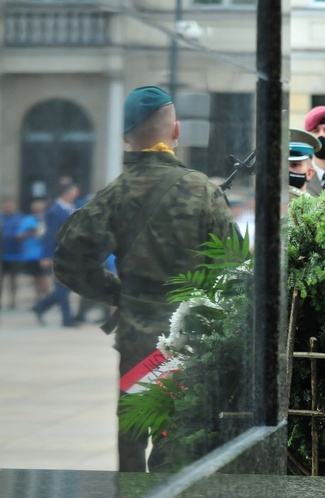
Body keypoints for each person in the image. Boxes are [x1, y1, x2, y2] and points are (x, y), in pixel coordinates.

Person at [52, 86, 237, 472]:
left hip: (137, 340)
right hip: (188, 342)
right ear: (177, 132)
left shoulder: (114, 194)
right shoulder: (202, 190)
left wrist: (119, 293)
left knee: (133, 442)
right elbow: (235, 270)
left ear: (125, 137)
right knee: (179, 442)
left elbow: (69, 261)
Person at [32, 184, 80, 327]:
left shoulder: (72, 208)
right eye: (73, 192)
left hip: (71, 254)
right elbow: (49, 235)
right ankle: (67, 318)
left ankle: (41, 307)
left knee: (67, 287)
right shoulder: (54, 211)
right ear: (65, 194)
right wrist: (47, 256)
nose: (75, 194)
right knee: (61, 287)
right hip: (57, 254)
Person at [15, 199, 49, 302]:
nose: (37, 208)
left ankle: (48, 297)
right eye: (35, 207)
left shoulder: (48, 219)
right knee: (35, 277)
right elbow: (18, 236)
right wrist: (30, 234)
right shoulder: (26, 220)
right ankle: (39, 297)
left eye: (40, 206)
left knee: (43, 276)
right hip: (31, 253)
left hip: (45, 254)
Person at [1, 197, 25, 310]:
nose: (7, 208)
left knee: (13, 278)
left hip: (14, 253)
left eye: (9, 206)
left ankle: (13, 300)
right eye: (5, 206)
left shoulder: (20, 218)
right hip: (2, 252)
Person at [288, 128, 321, 199]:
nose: (287, 170)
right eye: (283, 165)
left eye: (294, 165)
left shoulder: (321, 208)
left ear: (309, 173)